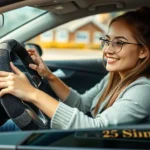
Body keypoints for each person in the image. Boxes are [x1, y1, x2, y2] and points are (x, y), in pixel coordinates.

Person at [1, 6, 150, 131]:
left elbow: (95, 129)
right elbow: (81, 104)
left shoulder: (143, 90)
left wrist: (31, 93)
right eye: (107, 40)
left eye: (119, 43)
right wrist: (48, 75)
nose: (108, 50)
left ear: (143, 51)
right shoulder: (115, 77)